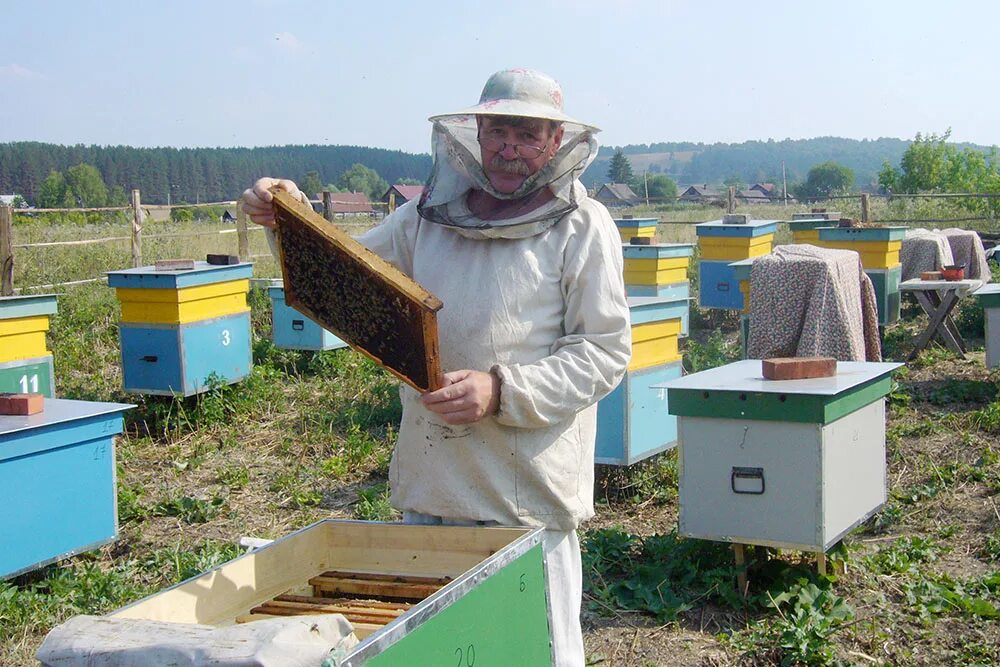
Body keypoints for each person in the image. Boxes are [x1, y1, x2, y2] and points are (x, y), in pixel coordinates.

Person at [241, 68, 631, 666]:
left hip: (524, 489)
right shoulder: (425, 215)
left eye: (527, 135)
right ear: (476, 132)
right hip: (435, 477)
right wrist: (288, 218)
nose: (509, 148)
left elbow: (604, 352)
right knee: (445, 649)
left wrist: (502, 389)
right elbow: (344, 282)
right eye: (499, 130)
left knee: (533, 646)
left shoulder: (583, 224)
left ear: (555, 141)